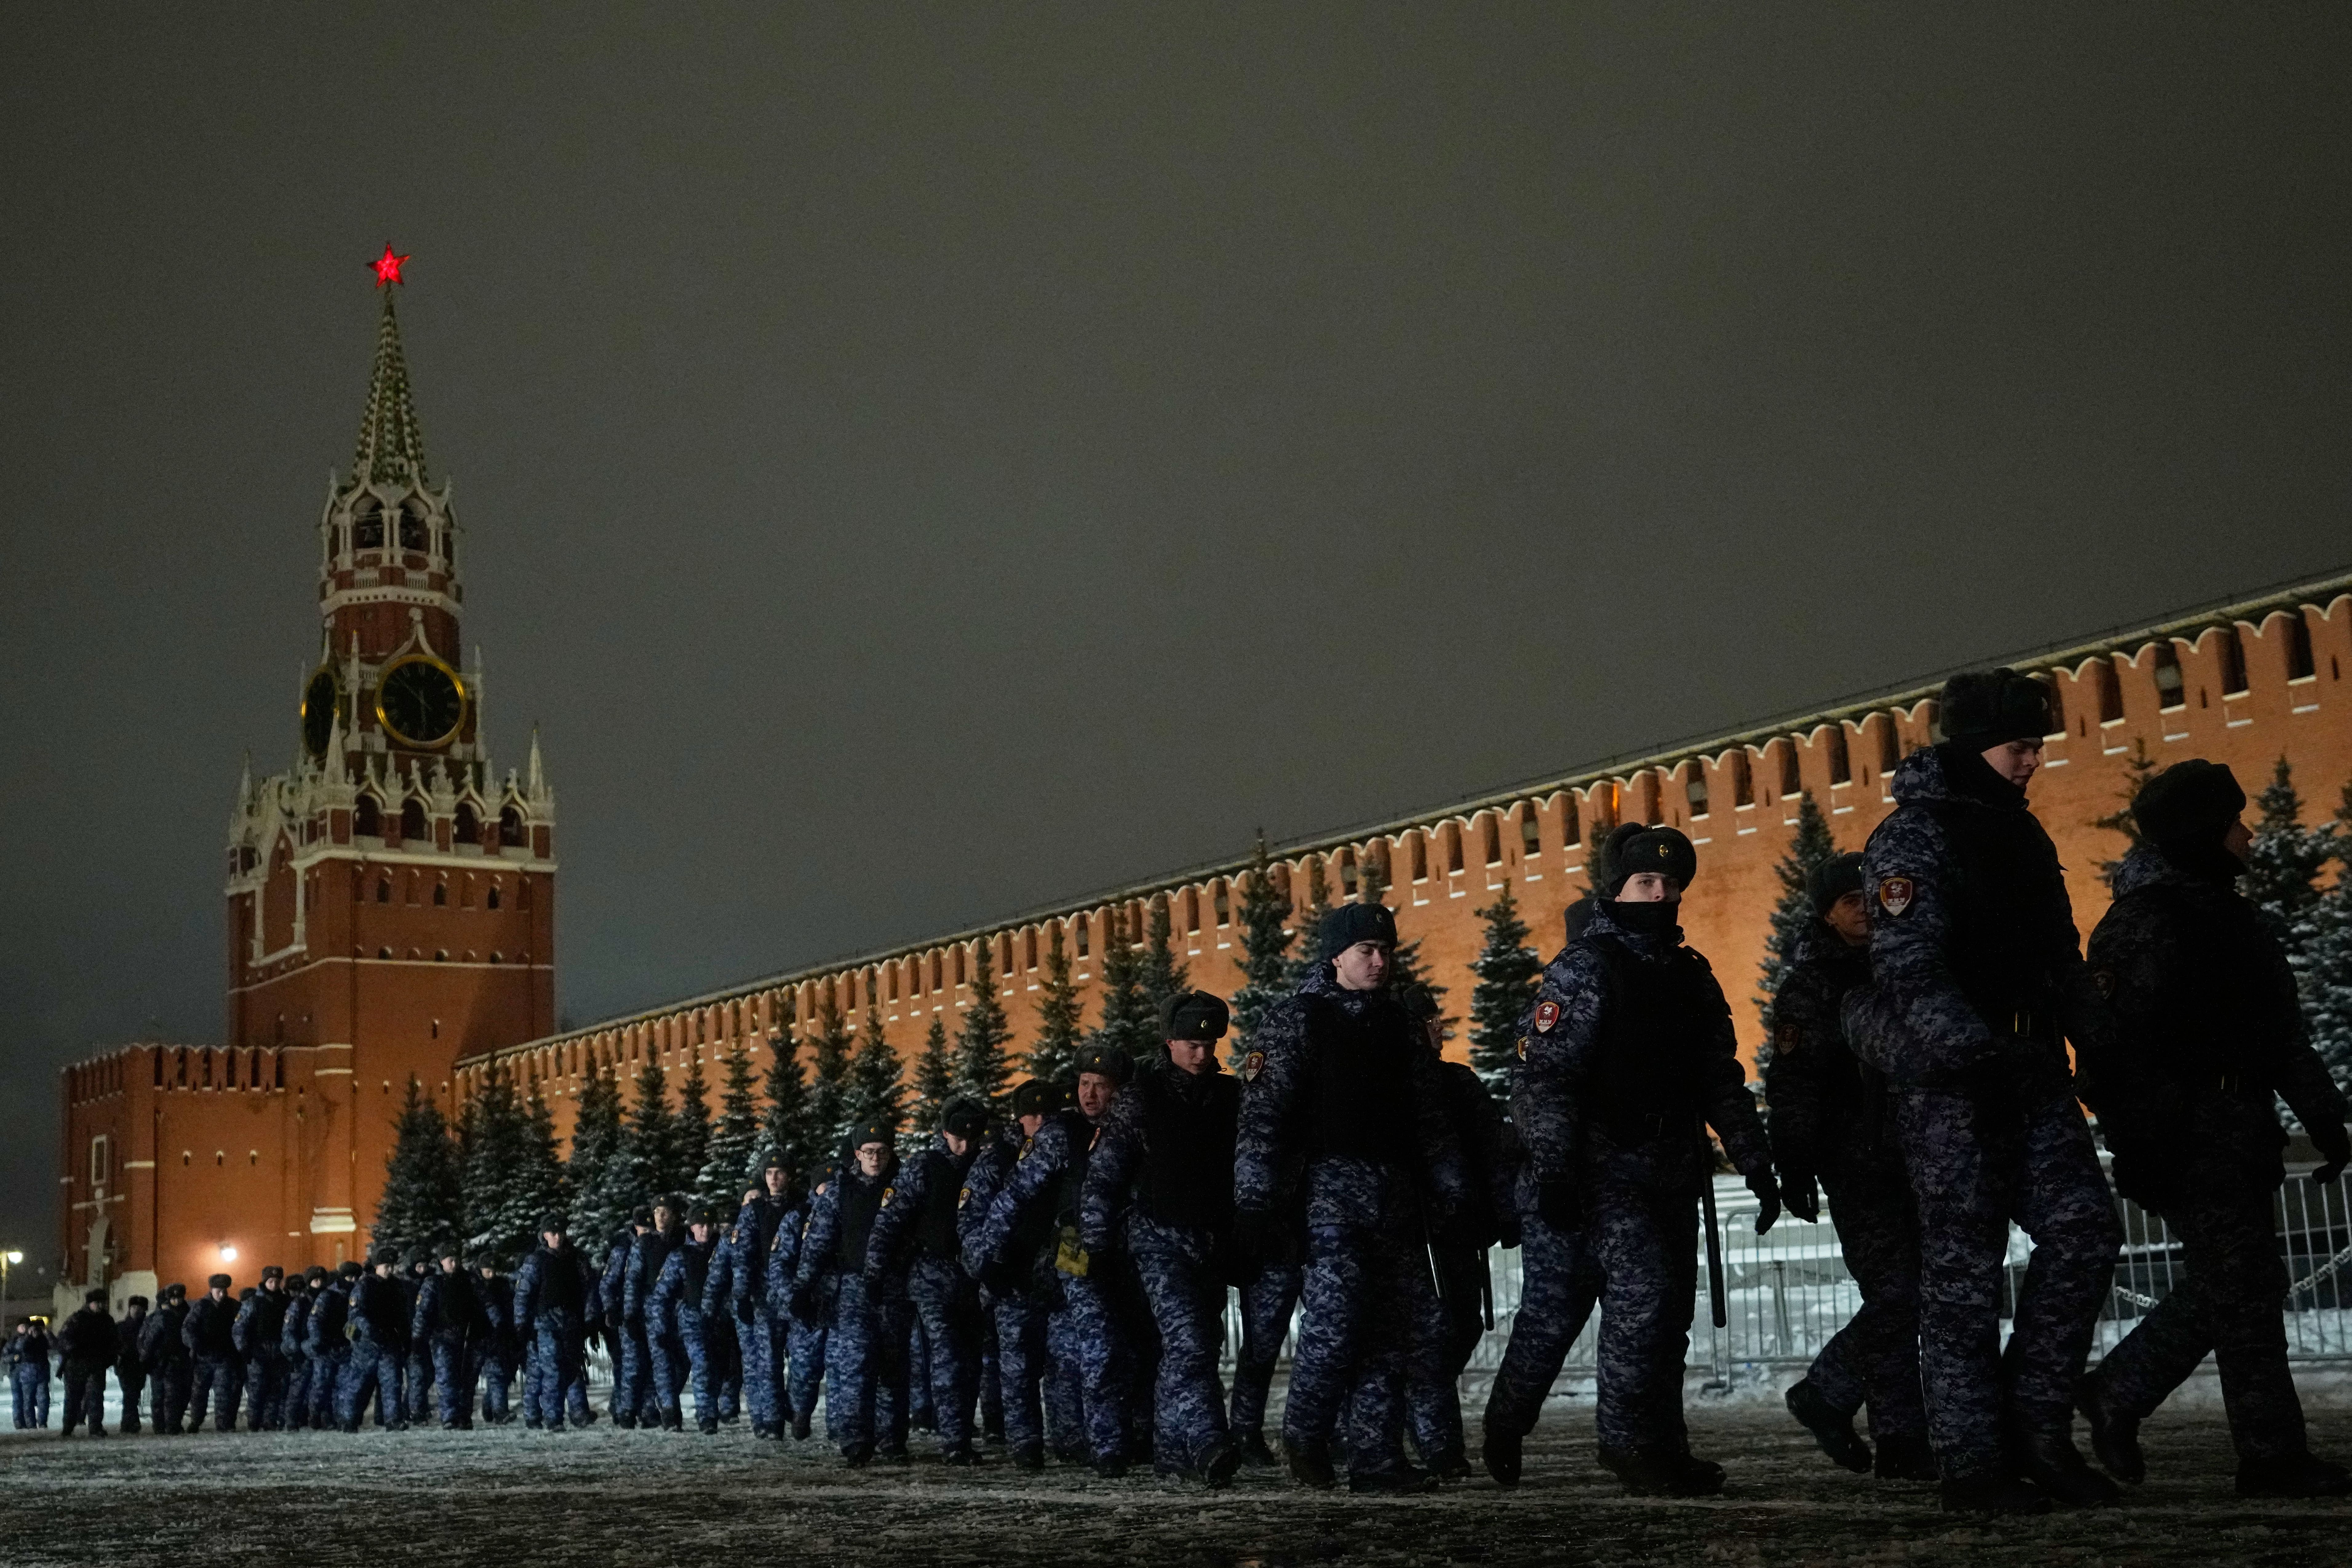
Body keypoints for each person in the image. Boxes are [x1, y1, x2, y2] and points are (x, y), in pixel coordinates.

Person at [1845, 668, 2125, 1512]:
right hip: (1953, 1090)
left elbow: (2058, 957)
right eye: (2018, 745)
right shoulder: (1911, 839)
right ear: (1975, 745)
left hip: (2030, 1073)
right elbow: (1908, 968)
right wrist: (1975, 1053)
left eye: (2036, 743)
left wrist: (2098, 1049)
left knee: (2081, 1230)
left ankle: (2035, 1426)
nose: (2032, 759)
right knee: (1962, 1279)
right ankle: (1972, 1464)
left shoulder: (2022, 838)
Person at [2076, 760, 2352, 1498]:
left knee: (2240, 1284)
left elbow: (2281, 1032)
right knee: (2242, 1284)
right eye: (2233, 820)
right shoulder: (2142, 925)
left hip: (2238, 1129)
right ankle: (2266, 1453)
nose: (2248, 833)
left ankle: (2122, 1393)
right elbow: (2106, 1048)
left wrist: (2323, 1116)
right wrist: (2142, 1137)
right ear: (2201, 832)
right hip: (2186, 1135)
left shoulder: (2235, 920)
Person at [1496, 824, 1782, 1496]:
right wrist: (1558, 1168)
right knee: (1632, 1293)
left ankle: (1663, 1445)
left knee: (1671, 1314)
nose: (1659, 895)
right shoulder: (1586, 968)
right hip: (1600, 1168)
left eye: (1669, 884)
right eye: (1645, 883)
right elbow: (1546, 1077)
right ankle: (1607, 1439)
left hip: (1672, 1167)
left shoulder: (1690, 976)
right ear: (1616, 889)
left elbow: (1719, 1076)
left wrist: (1755, 1161)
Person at [1234, 902, 1469, 1494]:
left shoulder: (1398, 1027)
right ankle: (1306, 1431)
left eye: (1385, 950)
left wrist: (1453, 1189)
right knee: (1337, 1323)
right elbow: (1263, 1119)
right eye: (1365, 950)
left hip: (1394, 1197)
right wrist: (1253, 1205)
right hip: (1328, 1195)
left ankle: (1376, 1458)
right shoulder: (1299, 1020)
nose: (1379, 961)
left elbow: (1429, 1117)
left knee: (1393, 1333)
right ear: (1335, 955)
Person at [1767, 852, 1934, 1482]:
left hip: (1922, 1149)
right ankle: (1831, 1391)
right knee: (1896, 1291)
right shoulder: (1812, 986)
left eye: (1868, 895)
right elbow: (1793, 1082)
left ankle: (1898, 1436)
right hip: (1857, 1159)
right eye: (1847, 901)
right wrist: (1795, 1162)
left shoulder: (1906, 963)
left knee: (1912, 1291)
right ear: (1826, 914)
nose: (1863, 908)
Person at [1082, 991, 1246, 1487]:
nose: (1201, 1052)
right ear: (1170, 1041)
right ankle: (1209, 1442)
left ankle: (1170, 1453)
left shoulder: (1228, 1096)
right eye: (1191, 1042)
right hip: (1157, 1239)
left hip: (1210, 1241)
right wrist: (1093, 1239)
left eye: (1208, 1042)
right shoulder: (1142, 1095)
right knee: (1189, 1342)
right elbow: (1106, 1172)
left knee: (1196, 1346)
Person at [868, 1097, 991, 1464]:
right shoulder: (925, 1166)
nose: (964, 1146)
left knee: (971, 1362)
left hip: (972, 1280)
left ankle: (960, 1435)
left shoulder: (985, 1166)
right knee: (947, 1359)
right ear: (944, 1133)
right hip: (931, 1279)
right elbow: (889, 1220)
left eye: (972, 1138)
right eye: (958, 1138)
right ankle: (954, 1441)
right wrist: (875, 1270)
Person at [794, 1123, 908, 1466]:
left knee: (893, 1367)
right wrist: (804, 1287)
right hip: (854, 1290)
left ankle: (892, 1439)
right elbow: (817, 1244)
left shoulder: (904, 1187)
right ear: (857, 1155)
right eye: (868, 1152)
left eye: (882, 1151)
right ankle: (856, 1440)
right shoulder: (839, 1193)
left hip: (895, 1287)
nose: (875, 1159)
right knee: (855, 1367)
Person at [735, 1155, 803, 1439]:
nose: (774, 1179)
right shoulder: (754, 1211)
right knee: (769, 1362)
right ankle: (773, 1421)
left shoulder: (802, 1209)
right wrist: (742, 1294)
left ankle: (796, 1409)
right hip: (764, 1295)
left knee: (802, 1359)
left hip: (796, 1292)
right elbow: (743, 1255)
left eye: (780, 1172)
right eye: (770, 1173)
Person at [514, 1215, 599, 1431]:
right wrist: (522, 1325)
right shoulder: (536, 1261)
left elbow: (589, 1291)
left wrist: (591, 1320)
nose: (558, 1237)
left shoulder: (577, 1259)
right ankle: (554, 1417)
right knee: (552, 1371)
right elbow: (524, 1294)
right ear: (544, 1235)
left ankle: (579, 1413)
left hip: (571, 1322)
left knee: (574, 1369)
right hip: (545, 1323)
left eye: (561, 1232)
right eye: (553, 1233)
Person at [650, 1202, 722, 1433]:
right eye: (700, 1225)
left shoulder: (722, 1251)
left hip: (718, 1321)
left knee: (713, 1370)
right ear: (692, 1227)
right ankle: (702, 1417)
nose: (705, 1230)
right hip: (691, 1320)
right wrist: (660, 1327)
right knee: (699, 1366)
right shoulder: (681, 1256)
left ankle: (706, 1414)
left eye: (709, 1225)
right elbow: (662, 1294)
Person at [622, 1201, 681, 1429]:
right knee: (658, 1362)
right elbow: (633, 1281)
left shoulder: (681, 1241)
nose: (661, 1216)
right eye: (657, 1211)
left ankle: (662, 1406)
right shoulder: (644, 1244)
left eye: (666, 1211)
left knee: (679, 1363)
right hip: (653, 1310)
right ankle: (668, 1413)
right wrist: (630, 1315)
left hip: (679, 1309)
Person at [413, 1247, 485, 1429]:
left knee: (468, 1379)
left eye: (456, 1259)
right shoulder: (433, 1283)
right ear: (442, 1262)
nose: (454, 1264)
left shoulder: (470, 1280)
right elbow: (423, 1313)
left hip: (469, 1337)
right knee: (447, 1378)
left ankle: (464, 1416)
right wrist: (418, 1337)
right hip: (442, 1337)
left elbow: (486, 1304)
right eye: (449, 1260)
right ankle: (450, 1416)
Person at [340, 1248, 410, 1431]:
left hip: (389, 1342)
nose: (390, 1270)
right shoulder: (365, 1286)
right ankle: (349, 1421)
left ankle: (394, 1420)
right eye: (387, 1266)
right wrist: (371, 1330)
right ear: (377, 1267)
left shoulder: (396, 1286)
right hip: (367, 1344)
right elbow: (356, 1314)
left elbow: (403, 1315)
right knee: (360, 1386)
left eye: (392, 1266)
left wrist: (404, 1337)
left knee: (393, 1384)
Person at [599, 1209, 648, 1426]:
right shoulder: (622, 1251)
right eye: (643, 1228)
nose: (647, 1232)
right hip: (627, 1315)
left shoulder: (656, 1246)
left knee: (651, 1367)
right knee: (631, 1366)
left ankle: (647, 1410)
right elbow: (608, 1283)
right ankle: (624, 1409)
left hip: (652, 1315)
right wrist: (611, 1310)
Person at [183, 1273, 243, 1432]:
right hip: (204, 1357)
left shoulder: (233, 1306)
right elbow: (188, 1328)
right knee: (199, 1393)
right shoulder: (201, 1306)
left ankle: (224, 1424)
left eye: (224, 1291)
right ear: (212, 1290)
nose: (222, 1294)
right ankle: (196, 1421)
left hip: (225, 1356)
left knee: (224, 1392)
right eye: (219, 1291)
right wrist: (195, 1345)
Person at [305, 1265, 360, 1430]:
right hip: (326, 1348)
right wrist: (318, 1341)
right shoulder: (328, 1296)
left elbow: (355, 1321)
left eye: (356, 1278)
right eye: (350, 1278)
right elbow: (314, 1321)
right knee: (322, 1385)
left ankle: (340, 1419)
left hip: (344, 1348)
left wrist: (352, 1338)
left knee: (344, 1387)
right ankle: (315, 1416)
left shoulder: (356, 1296)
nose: (354, 1281)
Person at [59, 1291, 115, 1437]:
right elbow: (64, 1337)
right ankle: (68, 1427)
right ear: (89, 1304)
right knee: (73, 1398)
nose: (100, 1306)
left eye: (102, 1303)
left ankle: (96, 1427)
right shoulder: (77, 1319)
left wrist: (109, 1358)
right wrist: (74, 1350)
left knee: (96, 1397)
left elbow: (114, 1341)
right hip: (77, 1365)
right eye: (97, 1303)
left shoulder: (107, 1320)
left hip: (96, 1364)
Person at [142, 1284, 193, 1434]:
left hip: (181, 1360)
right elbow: (149, 1339)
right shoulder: (159, 1317)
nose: (176, 1302)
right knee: (162, 1396)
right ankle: (163, 1426)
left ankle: (173, 1424)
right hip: (161, 1361)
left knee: (180, 1395)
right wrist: (146, 1359)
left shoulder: (188, 1314)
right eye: (173, 1299)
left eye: (179, 1298)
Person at [475, 1259, 518, 1426]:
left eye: (493, 1270)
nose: (491, 1274)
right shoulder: (476, 1287)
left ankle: (488, 1407)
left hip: (503, 1336)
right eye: (488, 1270)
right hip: (485, 1337)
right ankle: (500, 1411)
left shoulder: (503, 1286)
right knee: (497, 1374)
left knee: (503, 1376)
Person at [278, 1271, 317, 1431]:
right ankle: (291, 1420)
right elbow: (289, 1331)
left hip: (312, 1350)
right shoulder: (299, 1304)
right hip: (299, 1351)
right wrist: (296, 1351)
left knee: (313, 1388)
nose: (296, 1293)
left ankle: (308, 1419)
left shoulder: (315, 1301)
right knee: (296, 1388)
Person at [114, 1295, 150, 1435]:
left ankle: (130, 1422)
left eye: (139, 1308)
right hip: (125, 1365)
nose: (136, 1310)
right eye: (133, 1307)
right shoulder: (121, 1327)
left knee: (133, 1395)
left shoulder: (147, 1326)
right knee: (130, 1394)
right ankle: (129, 1423)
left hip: (140, 1366)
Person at [7, 1318, 50, 1430]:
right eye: (22, 1326)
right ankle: (21, 1424)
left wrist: (46, 1333)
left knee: (41, 1399)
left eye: (26, 1326)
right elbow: (8, 1355)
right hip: (18, 1373)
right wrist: (15, 1358)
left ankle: (38, 1423)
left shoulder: (40, 1338)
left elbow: (53, 1346)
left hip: (34, 1373)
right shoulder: (15, 1340)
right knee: (20, 1399)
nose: (24, 1328)